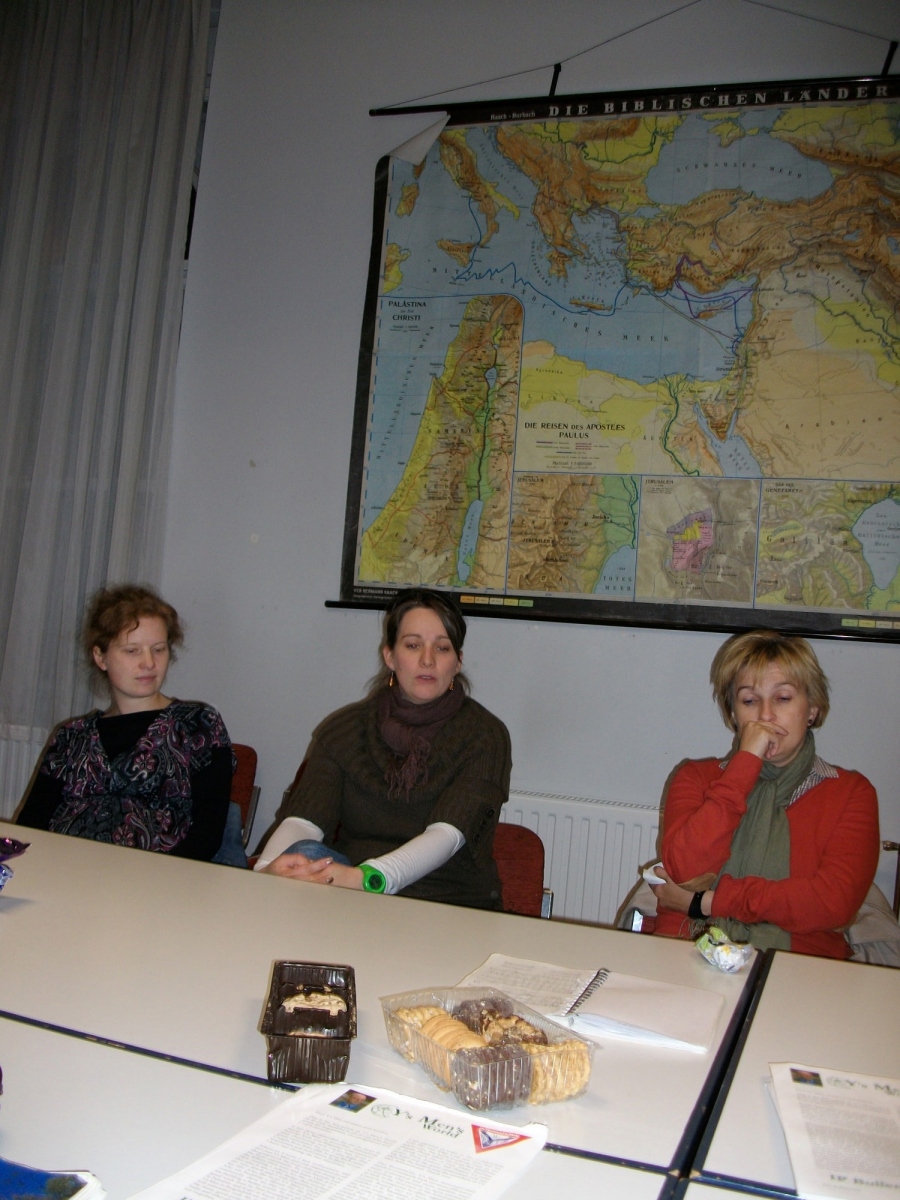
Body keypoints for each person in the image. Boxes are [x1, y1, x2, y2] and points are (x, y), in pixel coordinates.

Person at [256, 589, 511, 909]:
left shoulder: (484, 735)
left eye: (442, 647)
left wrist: (368, 879)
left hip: (445, 902)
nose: (428, 659)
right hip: (353, 898)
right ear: (390, 656)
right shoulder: (344, 729)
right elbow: (304, 821)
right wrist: (265, 871)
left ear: (457, 662)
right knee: (301, 858)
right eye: (413, 645)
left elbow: (448, 835)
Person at [650, 629, 879, 959]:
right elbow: (685, 872)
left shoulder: (851, 793)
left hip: (800, 964)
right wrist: (744, 766)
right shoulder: (695, 778)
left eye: (783, 698)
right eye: (749, 701)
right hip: (686, 951)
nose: (766, 715)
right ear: (733, 713)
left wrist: (707, 902)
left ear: (812, 708)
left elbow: (832, 904)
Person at [17, 584, 245, 866]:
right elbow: (31, 827)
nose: (149, 663)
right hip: (62, 872)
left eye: (158, 649)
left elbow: (207, 836)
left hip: (159, 880)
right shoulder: (70, 737)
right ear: (100, 657)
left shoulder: (198, 725)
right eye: (132, 650)